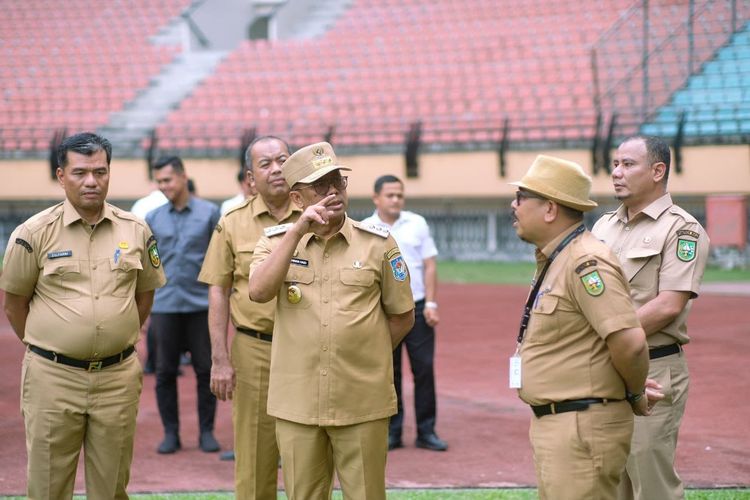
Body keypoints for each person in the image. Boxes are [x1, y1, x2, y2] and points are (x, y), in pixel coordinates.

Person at [0, 132, 166, 498]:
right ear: (61, 176)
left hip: (117, 379)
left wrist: (112, 336)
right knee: (47, 485)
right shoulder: (33, 233)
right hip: (53, 379)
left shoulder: (135, 230)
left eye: (100, 171)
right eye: (80, 173)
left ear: (109, 172)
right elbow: (14, 304)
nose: (91, 181)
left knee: (111, 485)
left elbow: (144, 295)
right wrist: (55, 343)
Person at [248, 141, 415, 500]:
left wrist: (362, 352)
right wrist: (297, 232)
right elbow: (259, 292)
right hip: (298, 402)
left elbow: (402, 315)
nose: (334, 192)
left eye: (338, 182)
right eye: (321, 186)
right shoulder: (275, 242)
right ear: (297, 199)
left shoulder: (379, 243)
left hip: (362, 399)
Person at [509, 154, 654, 500]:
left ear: (549, 209)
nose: (512, 205)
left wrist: (635, 394)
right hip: (562, 423)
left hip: (580, 425)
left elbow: (630, 342)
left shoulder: (586, 262)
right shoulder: (558, 257)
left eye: (520, 198)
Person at [592, 135, 709, 500]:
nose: (616, 173)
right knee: (608, 480)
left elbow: (668, 306)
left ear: (658, 171)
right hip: (603, 368)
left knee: (651, 484)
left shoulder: (681, 229)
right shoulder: (602, 227)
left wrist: (601, 336)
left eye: (628, 164)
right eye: (615, 164)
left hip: (652, 370)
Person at [198, 136, 300, 498]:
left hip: (309, 350)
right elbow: (218, 290)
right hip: (255, 350)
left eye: (283, 160)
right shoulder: (232, 223)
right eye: (266, 164)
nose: (276, 169)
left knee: (310, 453)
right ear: (250, 178)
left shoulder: (317, 217)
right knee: (256, 456)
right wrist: (220, 358)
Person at [361, 174, 447, 452]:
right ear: (376, 198)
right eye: (390, 195)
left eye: (400, 194)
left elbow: (429, 264)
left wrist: (432, 304)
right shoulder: (365, 228)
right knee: (389, 372)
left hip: (418, 307)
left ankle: (426, 431)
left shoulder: (417, 223)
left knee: (424, 370)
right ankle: (392, 432)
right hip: (384, 311)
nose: (396, 199)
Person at [146, 156, 222, 454]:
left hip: (201, 305)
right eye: (159, 181)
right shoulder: (153, 217)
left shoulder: (209, 213)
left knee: (205, 370)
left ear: (182, 177)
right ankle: (171, 434)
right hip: (165, 306)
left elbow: (219, 259)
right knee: (164, 371)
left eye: (167, 180)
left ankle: (206, 432)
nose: (163, 186)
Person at [131, 180, 168, 374]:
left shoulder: (141, 204)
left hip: (144, 261)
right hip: (165, 263)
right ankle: (168, 358)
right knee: (162, 314)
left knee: (151, 314)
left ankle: (154, 361)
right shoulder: (167, 203)